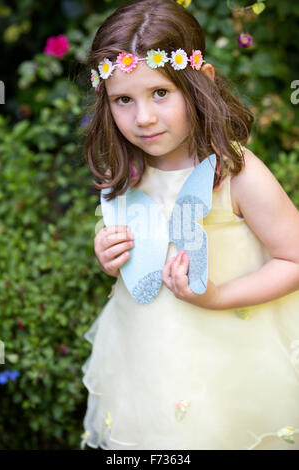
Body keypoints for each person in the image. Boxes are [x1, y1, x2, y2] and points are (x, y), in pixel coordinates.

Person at [80, 0, 299, 450]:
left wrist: (217, 297)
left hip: (230, 356)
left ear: (201, 82)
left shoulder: (235, 173)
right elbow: (140, 251)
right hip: (147, 358)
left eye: (160, 93)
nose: (143, 118)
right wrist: (110, 255)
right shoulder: (125, 170)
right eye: (124, 99)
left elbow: (293, 256)